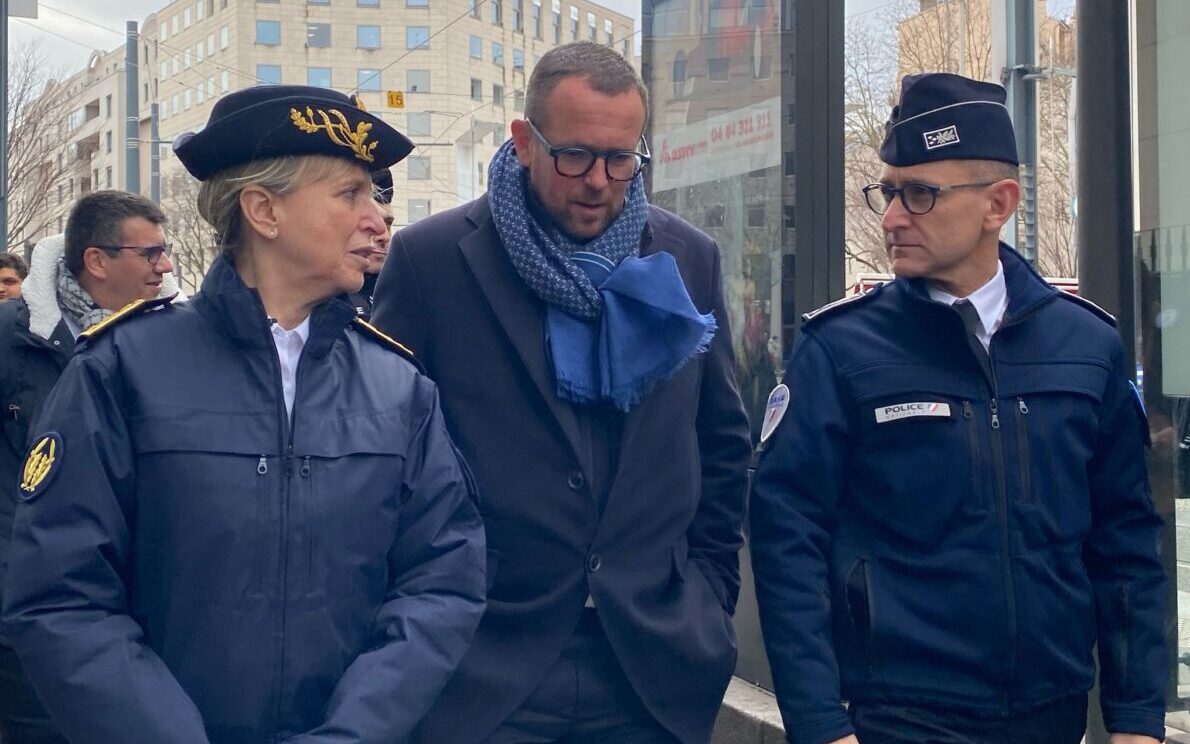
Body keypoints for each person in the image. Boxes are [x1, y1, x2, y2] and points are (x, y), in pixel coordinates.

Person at [2, 85, 486, 744]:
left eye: (376, 196)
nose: (378, 218)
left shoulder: (399, 388)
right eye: (350, 194)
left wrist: (355, 733)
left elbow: (442, 584)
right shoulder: (122, 372)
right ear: (263, 210)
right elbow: (61, 596)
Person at [749, 72, 1166, 744]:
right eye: (888, 191)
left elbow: (1127, 547)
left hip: (1053, 716)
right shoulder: (840, 350)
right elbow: (787, 546)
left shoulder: (1088, 345)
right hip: (894, 719)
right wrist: (821, 724)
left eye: (919, 193)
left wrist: (1139, 720)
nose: (890, 217)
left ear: (998, 203)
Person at [372, 40, 752, 744]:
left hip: (653, 664)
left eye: (622, 159)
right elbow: (386, 460)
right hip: (484, 669)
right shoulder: (430, 262)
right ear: (524, 141)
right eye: (575, 155)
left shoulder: (687, 257)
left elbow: (721, 446)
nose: (600, 181)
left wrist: (708, 598)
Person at [0, 191, 184, 744]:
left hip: (147, 607)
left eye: (165, 250)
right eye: (150, 253)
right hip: (32, 610)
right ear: (98, 261)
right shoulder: (12, 338)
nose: (167, 266)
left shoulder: (178, 337)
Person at [349, 167, 394, 319]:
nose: (384, 236)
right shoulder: (319, 296)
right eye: (367, 222)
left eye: (388, 224)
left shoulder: (405, 292)